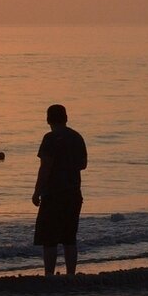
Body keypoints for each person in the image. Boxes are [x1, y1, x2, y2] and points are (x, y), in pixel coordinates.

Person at [32, 104, 87, 276]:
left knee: (49, 239)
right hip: (73, 193)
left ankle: (49, 275)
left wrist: (36, 191)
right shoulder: (77, 137)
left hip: (53, 195)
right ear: (66, 118)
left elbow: (45, 168)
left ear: (48, 119)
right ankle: (71, 274)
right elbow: (83, 165)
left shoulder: (50, 138)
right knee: (69, 237)